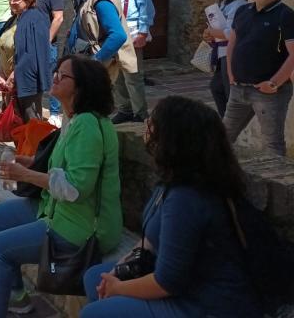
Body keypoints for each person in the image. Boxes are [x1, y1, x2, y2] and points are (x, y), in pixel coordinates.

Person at [81, 96, 262, 318]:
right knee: (95, 278)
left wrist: (118, 288)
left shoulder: (186, 199)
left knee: (94, 313)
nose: (147, 127)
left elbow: (167, 282)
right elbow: (151, 239)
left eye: (152, 124)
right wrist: (118, 269)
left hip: (206, 304)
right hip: (184, 284)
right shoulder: (174, 179)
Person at [0, 55, 122, 317]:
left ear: (80, 87)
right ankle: (16, 295)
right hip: (60, 211)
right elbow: (68, 164)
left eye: (62, 75)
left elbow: (76, 188)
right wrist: (30, 162)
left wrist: (26, 175)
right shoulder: (74, 118)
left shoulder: (88, 125)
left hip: (83, 229)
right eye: (56, 71)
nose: (54, 77)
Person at [224, 0, 294, 156]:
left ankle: (278, 184)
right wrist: (231, 74)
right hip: (238, 88)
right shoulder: (243, 11)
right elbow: (232, 44)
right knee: (222, 138)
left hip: (269, 93)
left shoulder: (285, 15)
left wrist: (274, 83)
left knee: (272, 145)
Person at [65, 0, 137, 84]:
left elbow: (118, 36)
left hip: (94, 68)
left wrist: (95, 61)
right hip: (84, 61)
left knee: (93, 102)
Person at [104, 0, 153, 123]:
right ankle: (124, 109)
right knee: (116, 74)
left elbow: (143, 2)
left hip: (131, 29)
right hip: (112, 31)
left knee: (133, 74)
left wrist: (142, 30)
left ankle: (140, 112)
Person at [0, 0, 52, 120]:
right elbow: (3, 49)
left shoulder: (35, 19)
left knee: (31, 124)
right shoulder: (13, 20)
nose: (12, 2)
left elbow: (33, 54)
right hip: (9, 82)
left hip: (26, 81)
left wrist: (14, 75)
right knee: (16, 123)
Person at [24, 0, 65, 126]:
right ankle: (36, 112)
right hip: (30, 44)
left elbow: (58, 18)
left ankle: (55, 113)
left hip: (46, 45)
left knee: (50, 79)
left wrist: (46, 40)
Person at [202, 0, 248, 117]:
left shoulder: (240, 4)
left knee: (228, 91)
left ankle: (231, 125)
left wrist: (211, 32)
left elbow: (230, 33)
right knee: (217, 87)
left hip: (231, 52)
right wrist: (209, 34)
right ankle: (225, 122)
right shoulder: (225, 3)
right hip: (221, 52)